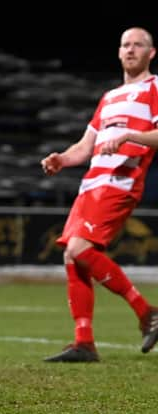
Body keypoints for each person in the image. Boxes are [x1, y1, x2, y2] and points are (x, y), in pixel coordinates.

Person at [41, 27, 158, 363]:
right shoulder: (108, 97)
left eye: (139, 45)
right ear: (119, 52)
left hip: (120, 182)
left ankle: (145, 310)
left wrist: (128, 136)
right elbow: (84, 147)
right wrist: (62, 159)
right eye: (126, 44)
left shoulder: (155, 88)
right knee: (70, 256)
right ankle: (84, 343)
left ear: (151, 53)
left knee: (78, 249)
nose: (131, 49)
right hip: (91, 184)